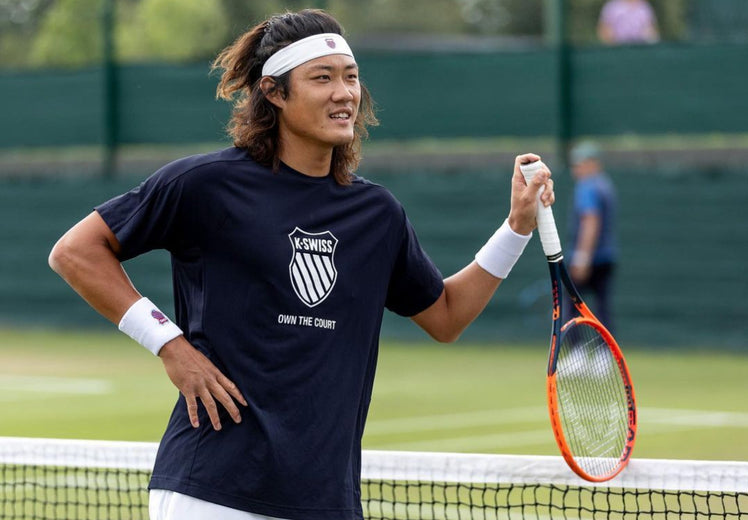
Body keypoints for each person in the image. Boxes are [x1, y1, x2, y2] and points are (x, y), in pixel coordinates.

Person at [48, 9, 554, 520]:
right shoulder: (204, 184)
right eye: (323, 78)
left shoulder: (377, 214)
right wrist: (169, 344)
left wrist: (516, 228)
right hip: (211, 492)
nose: (344, 93)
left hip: (325, 500)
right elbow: (75, 251)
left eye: (351, 77)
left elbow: (446, 316)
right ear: (274, 92)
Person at [566, 141, 618, 332]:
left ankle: (576, 355)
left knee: (572, 308)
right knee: (603, 308)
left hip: (589, 258)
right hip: (607, 256)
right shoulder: (606, 185)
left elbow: (590, 222)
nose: (576, 169)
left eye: (579, 164)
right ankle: (605, 354)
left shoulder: (587, 186)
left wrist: (581, 257)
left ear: (593, 163)